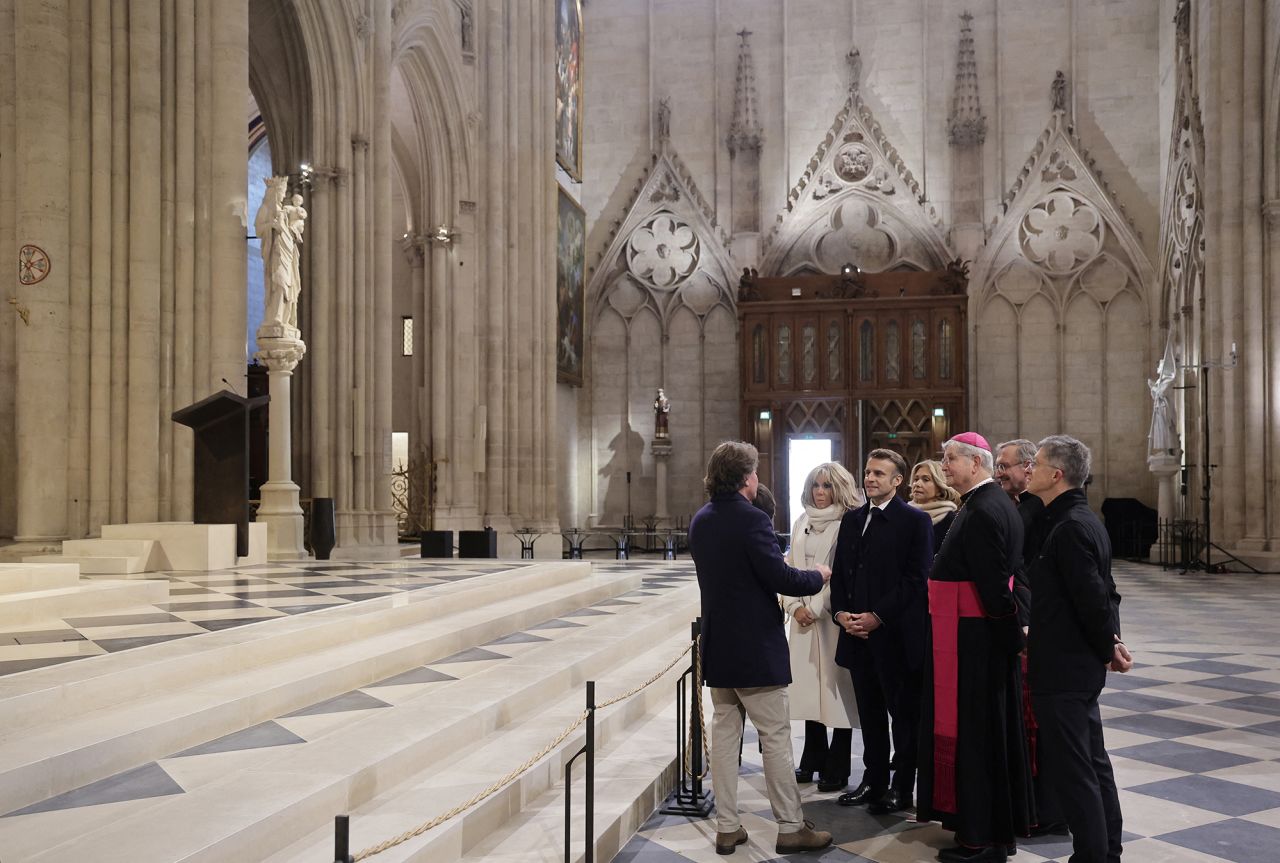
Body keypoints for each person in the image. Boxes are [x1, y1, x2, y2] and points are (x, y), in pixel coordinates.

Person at [688, 441, 833, 856]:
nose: (756, 479)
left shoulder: (702, 519)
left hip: (720, 646)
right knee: (775, 737)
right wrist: (818, 576)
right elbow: (779, 577)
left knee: (725, 735)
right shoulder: (750, 520)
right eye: (753, 472)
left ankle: (727, 827)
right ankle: (790, 827)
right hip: (755, 647)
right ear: (746, 478)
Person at [917, 432, 1033, 863]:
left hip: (974, 643)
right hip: (971, 638)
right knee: (982, 735)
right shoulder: (986, 503)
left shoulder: (985, 509)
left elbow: (993, 585)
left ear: (976, 463)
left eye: (950, 459)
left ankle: (980, 838)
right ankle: (986, 829)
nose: (944, 466)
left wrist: (1007, 637)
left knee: (978, 737)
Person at [1025, 435, 1132, 863]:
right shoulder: (1080, 519)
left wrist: (1109, 643)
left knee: (1075, 771)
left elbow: (1093, 597)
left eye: (1036, 463)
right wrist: (1111, 641)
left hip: (1064, 668)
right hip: (1076, 665)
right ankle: (1106, 850)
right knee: (1092, 761)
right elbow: (1106, 593)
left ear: (1056, 474)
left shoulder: (1069, 527)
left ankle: (1092, 856)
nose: (1029, 469)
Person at [829, 449, 934, 815]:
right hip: (856, 635)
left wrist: (877, 616)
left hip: (896, 637)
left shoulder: (914, 522)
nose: (870, 478)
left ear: (897, 481)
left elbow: (916, 580)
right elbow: (841, 572)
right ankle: (873, 781)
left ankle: (902, 788)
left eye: (879, 473)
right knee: (870, 715)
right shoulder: (852, 519)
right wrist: (841, 613)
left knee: (903, 717)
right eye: (868, 471)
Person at [996, 437, 1065, 837]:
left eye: (1005, 466)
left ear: (1029, 469)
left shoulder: (1042, 511)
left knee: (1039, 722)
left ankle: (1047, 810)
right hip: (1015, 620)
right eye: (997, 466)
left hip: (1034, 623)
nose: (999, 473)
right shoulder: (1009, 506)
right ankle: (1024, 804)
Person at [781, 462, 864, 793]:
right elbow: (788, 567)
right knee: (807, 690)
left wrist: (813, 609)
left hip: (830, 621)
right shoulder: (801, 520)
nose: (819, 491)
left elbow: (841, 574)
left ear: (839, 488)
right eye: (815, 484)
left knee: (835, 690)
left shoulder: (848, 523)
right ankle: (812, 757)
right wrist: (793, 606)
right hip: (800, 621)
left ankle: (838, 765)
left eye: (827, 485)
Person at [909, 459, 960, 552]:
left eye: (926, 479)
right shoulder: (903, 512)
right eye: (916, 479)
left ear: (940, 487)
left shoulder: (951, 520)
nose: (917, 484)